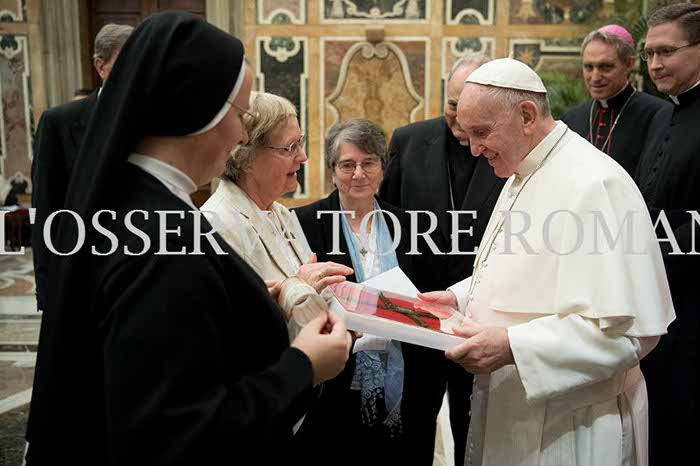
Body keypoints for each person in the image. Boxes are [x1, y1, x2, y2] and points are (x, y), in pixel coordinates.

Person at [25, 12, 351, 465]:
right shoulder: (164, 235)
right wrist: (305, 366)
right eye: (240, 114)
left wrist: (255, 301)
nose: (242, 133)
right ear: (200, 112)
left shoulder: (128, 200)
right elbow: (175, 432)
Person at [419, 58, 674, 466]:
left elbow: (628, 335)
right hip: (515, 409)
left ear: (526, 115)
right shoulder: (523, 170)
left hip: (572, 426)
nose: (474, 149)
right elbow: (522, 268)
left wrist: (513, 346)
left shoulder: (595, 184)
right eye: (468, 135)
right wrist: (458, 298)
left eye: (481, 132)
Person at [379, 53, 503, 466]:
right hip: (417, 313)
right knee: (412, 430)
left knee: (475, 431)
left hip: (480, 319)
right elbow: (386, 220)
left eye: (468, 108)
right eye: (452, 104)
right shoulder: (409, 141)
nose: (459, 117)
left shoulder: (506, 150)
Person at [295, 119, 428, 465]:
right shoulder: (303, 224)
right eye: (347, 165)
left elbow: (428, 298)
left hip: (404, 382)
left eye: (368, 163)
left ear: (382, 168)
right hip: (332, 385)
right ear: (332, 171)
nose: (358, 174)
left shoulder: (411, 226)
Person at [201, 91, 353, 337]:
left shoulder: (280, 214)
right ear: (244, 157)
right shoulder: (215, 225)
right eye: (290, 147)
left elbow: (308, 302)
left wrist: (341, 318)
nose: (303, 157)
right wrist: (300, 287)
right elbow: (229, 334)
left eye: (301, 142)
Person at [634, 3, 700, 464]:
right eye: (649, 54)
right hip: (658, 301)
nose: (654, 64)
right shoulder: (661, 115)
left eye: (666, 52)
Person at [31, 23, 133, 313]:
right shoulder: (59, 123)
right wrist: (48, 293)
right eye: (126, 62)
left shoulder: (156, 123)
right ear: (101, 67)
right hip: (79, 280)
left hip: (136, 278)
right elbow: (45, 210)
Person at [562, 24, 670, 176]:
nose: (595, 77)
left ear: (629, 64)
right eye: (589, 67)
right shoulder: (571, 119)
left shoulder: (658, 115)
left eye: (605, 67)